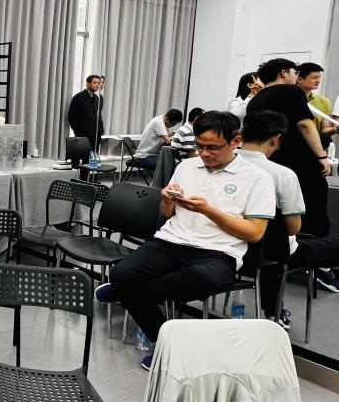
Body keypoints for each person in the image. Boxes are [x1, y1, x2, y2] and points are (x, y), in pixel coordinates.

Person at [96, 111, 275, 370]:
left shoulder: (257, 178)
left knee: (198, 280)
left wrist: (209, 210)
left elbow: (255, 233)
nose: (204, 153)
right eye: (199, 146)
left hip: (218, 251)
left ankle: (125, 292)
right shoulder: (186, 166)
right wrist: (166, 200)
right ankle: (167, 346)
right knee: (122, 273)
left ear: (236, 141)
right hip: (170, 241)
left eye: (213, 147)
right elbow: (166, 214)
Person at [236, 111, 306, 327]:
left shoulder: (224, 164)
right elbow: (292, 228)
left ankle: (273, 310)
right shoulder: (283, 175)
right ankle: (274, 311)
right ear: (276, 138)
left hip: (228, 246)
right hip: (267, 252)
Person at [248, 58, 330, 238]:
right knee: (312, 205)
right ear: (283, 73)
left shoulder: (256, 99)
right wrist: (321, 156)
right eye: (295, 73)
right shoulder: (291, 91)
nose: (296, 77)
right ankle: (313, 246)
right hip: (299, 160)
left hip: (271, 158)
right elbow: (305, 124)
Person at [296, 62, 335, 148]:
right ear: (299, 79)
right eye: (314, 78)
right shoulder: (287, 98)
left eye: (319, 77)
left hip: (313, 147)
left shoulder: (324, 102)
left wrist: (334, 129)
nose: (318, 81)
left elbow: (324, 130)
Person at [67, 75, 105, 150]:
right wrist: (78, 130)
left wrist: (100, 130)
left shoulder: (97, 98)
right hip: (82, 134)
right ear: (88, 83)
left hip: (95, 134)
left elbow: (98, 115)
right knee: (81, 154)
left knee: (93, 155)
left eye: (98, 83)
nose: (97, 85)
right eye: (94, 82)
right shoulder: (78, 97)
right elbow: (71, 116)